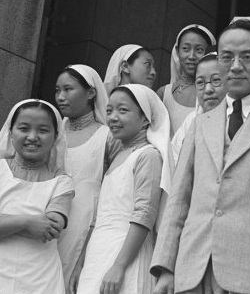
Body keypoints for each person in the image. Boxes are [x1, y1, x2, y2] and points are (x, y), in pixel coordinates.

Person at [151, 19, 250, 294]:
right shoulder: (200, 122)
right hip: (192, 271)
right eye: (227, 57)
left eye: (247, 57)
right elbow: (180, 198)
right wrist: (165, 267)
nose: (236, 66)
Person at [76, 84, 173, 294]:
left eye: (123, 110)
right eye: (109, 110)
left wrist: (119, 266)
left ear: (145, 118)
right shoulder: (119, 155)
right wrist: (81, 263)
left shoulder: (148, 155)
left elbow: (144, 213)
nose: (112, 117)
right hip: (99, 253)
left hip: (126, 255)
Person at [54, 64, 123, 290]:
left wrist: (85, 258)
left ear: (91, 92)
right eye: (57, 91)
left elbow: (112, 194)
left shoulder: (108, 137)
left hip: (84, 229)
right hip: (49, 225)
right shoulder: (52, 132)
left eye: (68, 89)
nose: (61, 97)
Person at [0, 99, 75, 294]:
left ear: (56, 136)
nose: (32, 137)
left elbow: (50, 228)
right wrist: (26, 222)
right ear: (10, 131)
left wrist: (6, 222)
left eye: (43, 130)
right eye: (24, 128)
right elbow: (37, 225)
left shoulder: (62, 182)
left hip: (41, 281)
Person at [157, 24, 216, 136]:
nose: (191, 56)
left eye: (199, 50)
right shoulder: (163, 94)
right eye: (186, 49)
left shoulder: (217, 93)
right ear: (177, 51)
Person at [171, 52, 227, 164]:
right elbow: (175, 159)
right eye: (200, 82)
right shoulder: (191, 121)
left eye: (216, 80)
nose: (208, 89)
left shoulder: (239, 119)